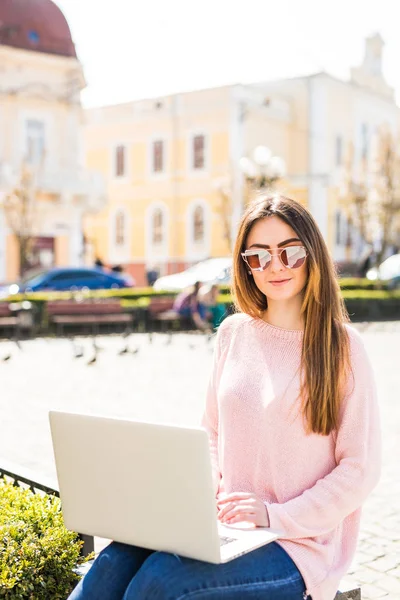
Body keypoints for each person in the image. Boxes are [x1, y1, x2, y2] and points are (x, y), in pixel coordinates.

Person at [68, 194, 381, 600]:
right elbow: (211, 433)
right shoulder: (234, 333)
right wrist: (203, 493)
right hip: (225, 527)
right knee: (113, 561)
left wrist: (275, 515)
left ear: (313, 255)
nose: (276, 267)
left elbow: (359, 469)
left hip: (298, 544)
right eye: (259, 256)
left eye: (290, 253)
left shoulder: (342, 347)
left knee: (161, 582)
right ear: (245, 265)